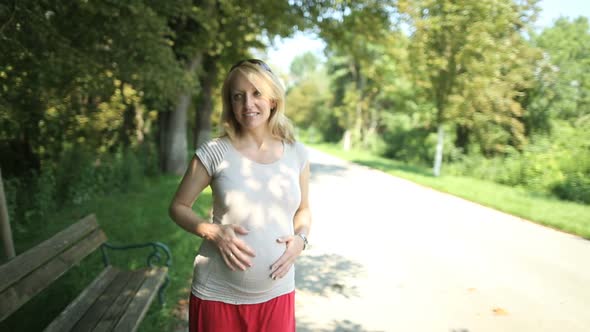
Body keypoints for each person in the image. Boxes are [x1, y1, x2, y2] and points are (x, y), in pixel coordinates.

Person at [169, 59, 311, 332]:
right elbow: (178, 207)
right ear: (230, 104)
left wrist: (301, 240)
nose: (248, 103)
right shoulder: (214, 152)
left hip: (278, 294)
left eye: (257, 93)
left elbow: (304, 209)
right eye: (238, 96)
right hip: (217, 296)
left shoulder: (297, 153)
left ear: (273, 99)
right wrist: (213, 232)